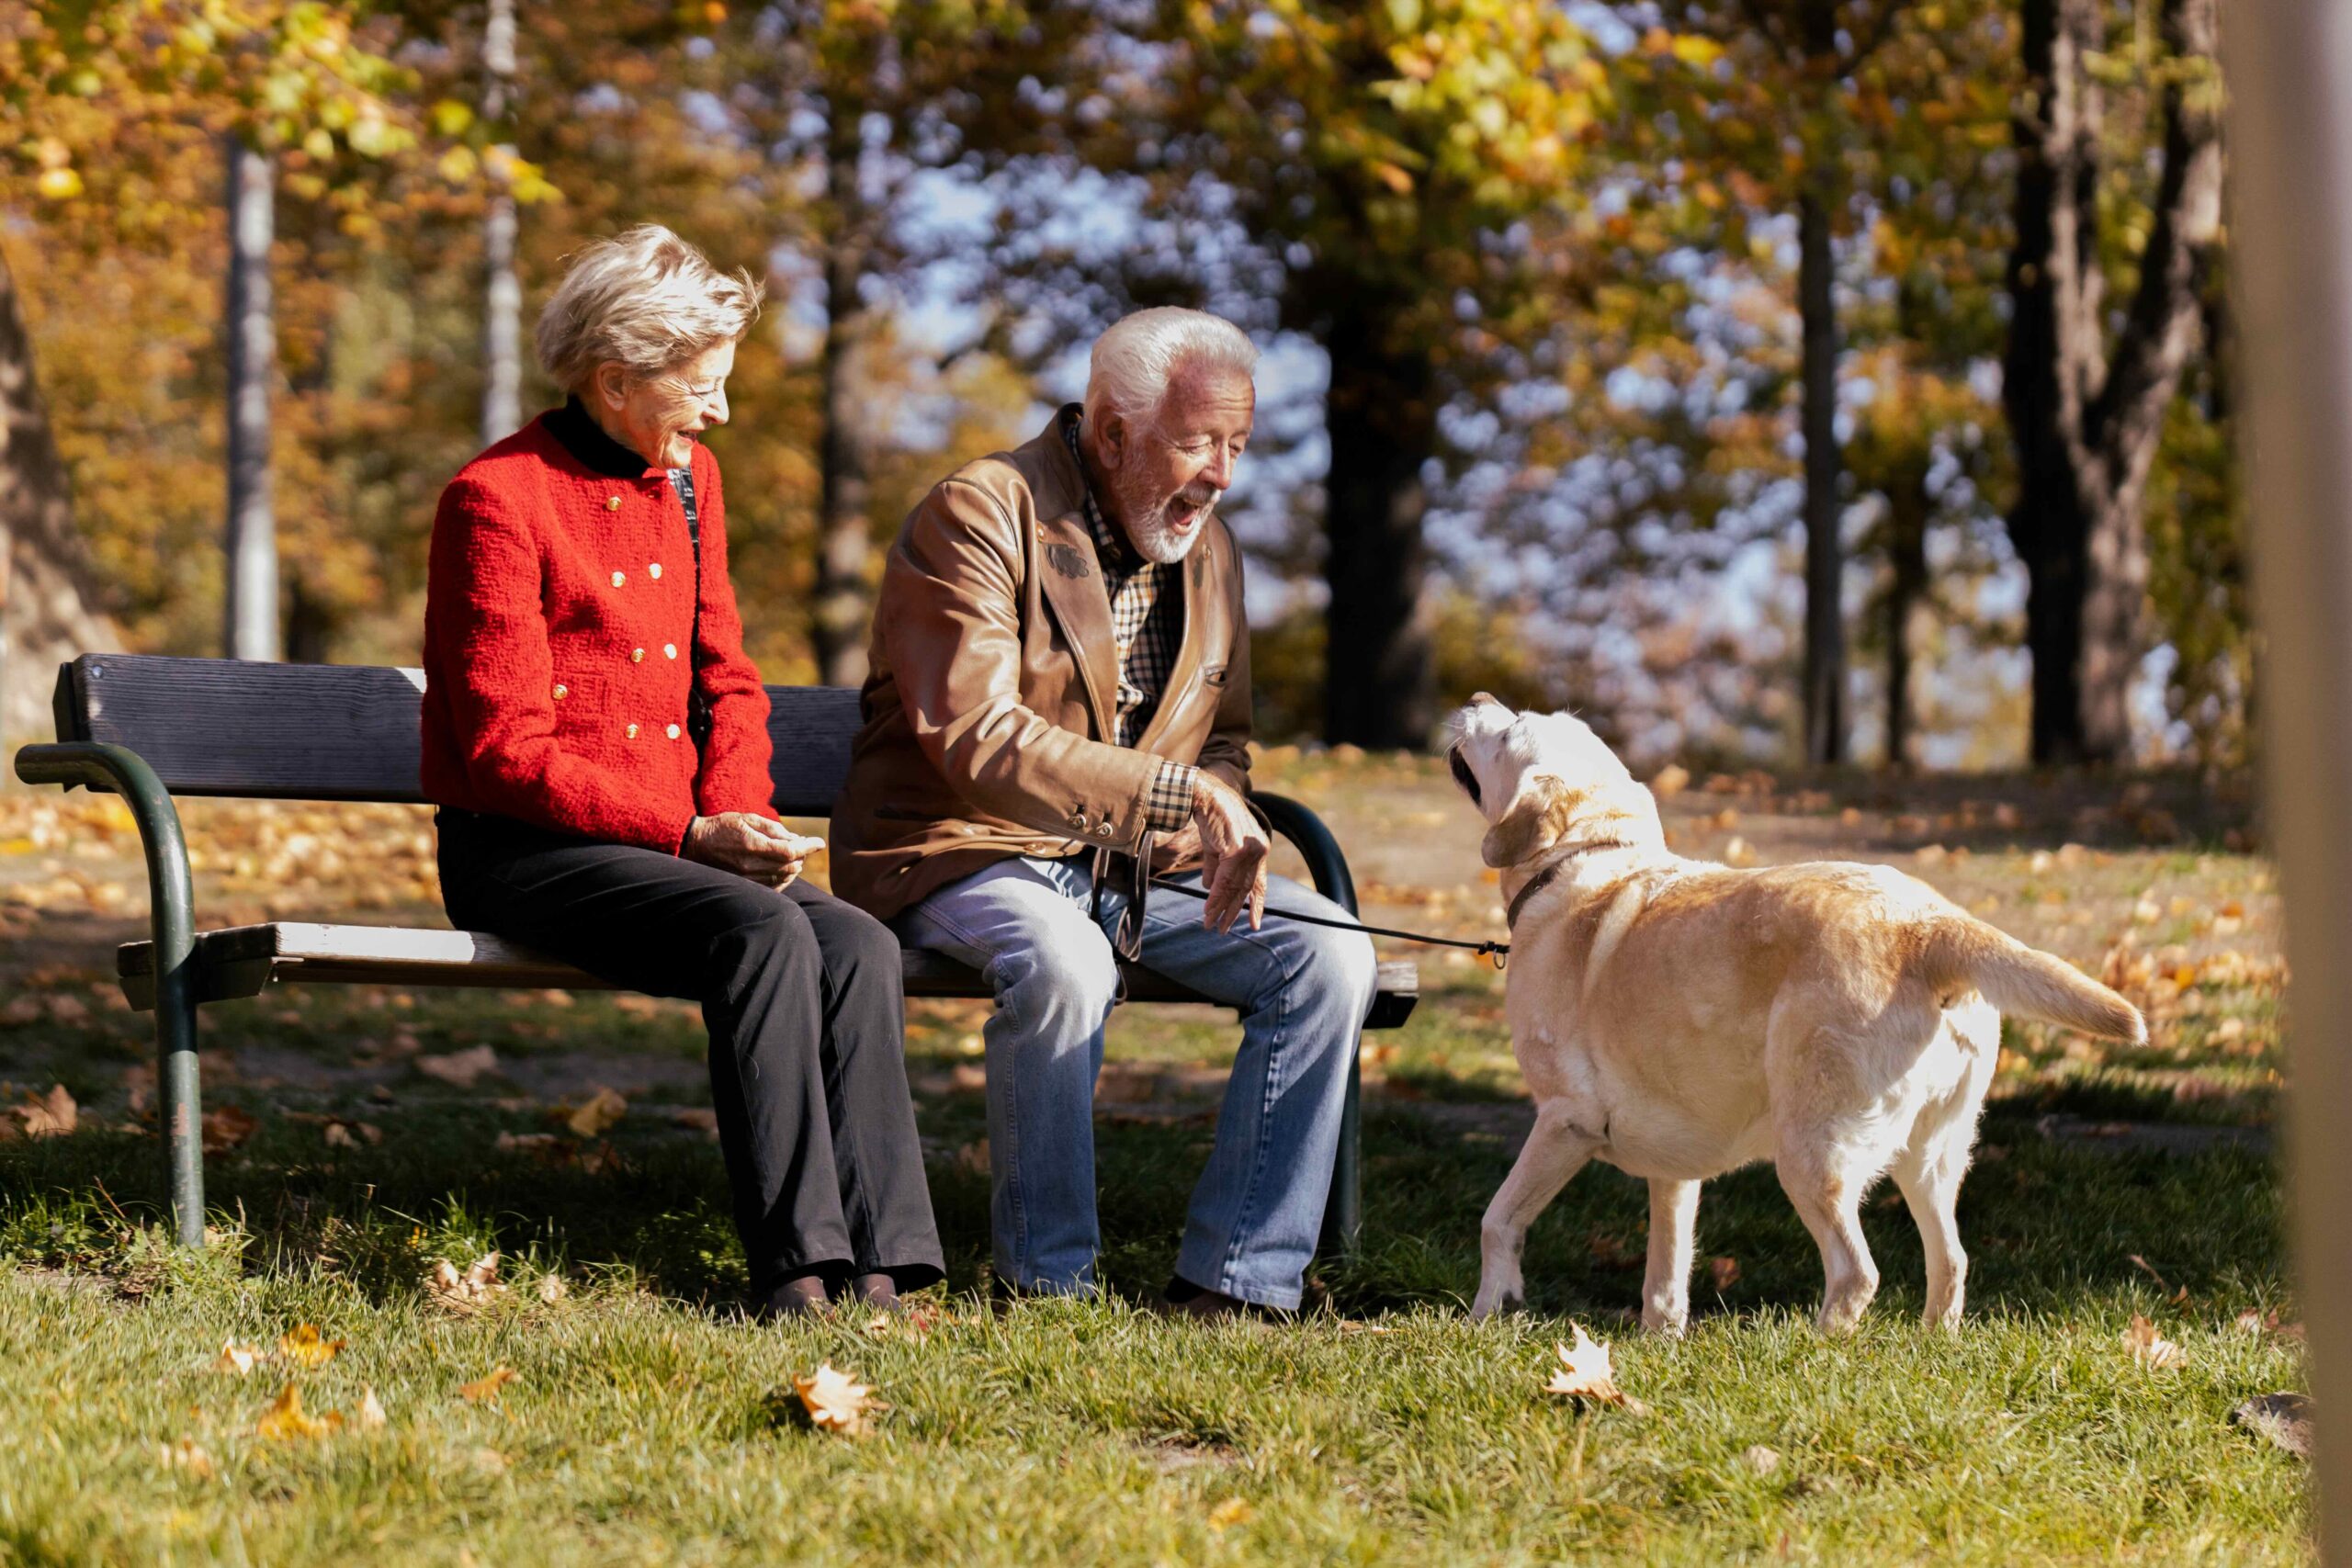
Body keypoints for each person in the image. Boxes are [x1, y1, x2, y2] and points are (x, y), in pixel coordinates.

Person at [420, 224, 942, 1318]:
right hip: (527, 851)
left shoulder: (693, 481)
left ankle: (886, 1269)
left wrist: (740, 813)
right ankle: (799, 1270)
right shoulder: (496, 500)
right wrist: (687, 834)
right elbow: (502, 750)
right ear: (616, 382)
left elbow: (727, 682)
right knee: (760, 934)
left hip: (680, 845)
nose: (720, 412)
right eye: (699, 387)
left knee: (850, 938)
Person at [830, 307, 1376, 1317]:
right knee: (1067, 963)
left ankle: (1241, 1285)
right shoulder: (982, 512)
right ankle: (1050, 1284)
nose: (1221, 474)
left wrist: (1206, 817)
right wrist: (1174, 796)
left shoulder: (1211, 553)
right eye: (1199, 442)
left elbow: (1225, 738)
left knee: (1333, 956)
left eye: (1238, 446)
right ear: (1116, 432)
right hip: (958, 845)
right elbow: (975, 737)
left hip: (1132, 871)